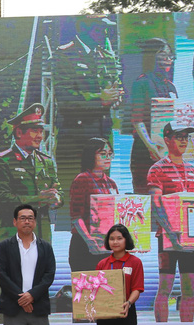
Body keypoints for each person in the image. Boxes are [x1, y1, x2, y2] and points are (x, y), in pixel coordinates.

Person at [54, 16, 120, 212]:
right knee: (75, 203)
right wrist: (100, 99)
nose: (104, 33)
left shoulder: (107, 57)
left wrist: (116, 97)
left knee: (102, 203)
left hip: (101, 136)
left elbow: (115, 87)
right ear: (83, 27)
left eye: (105, 29)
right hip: (76, 138)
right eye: (99, 28)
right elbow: (65, 99)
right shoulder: (64, 54)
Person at [147, 123, 194, 322]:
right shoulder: (157, 169)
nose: (183, 140)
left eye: (185, 137)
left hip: (191, 239)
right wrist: (171, 233)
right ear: (166, 140)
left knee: (189, 288)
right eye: (178, 136)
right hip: (167, 238)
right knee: (165, 286)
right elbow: (156, 205)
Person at [0, 204, 56, 325]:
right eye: (22, 218)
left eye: (30, 218)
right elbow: (1, 275)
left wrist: (32, 296)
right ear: (15, 222)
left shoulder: (45, 247)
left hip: (39, 308)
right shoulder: (5, 246)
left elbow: (49, 275)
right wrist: (21, 298)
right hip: (13, 309)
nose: (26, 221)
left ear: (35, 222)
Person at [0, 103, 63, 247]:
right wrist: (38, 200)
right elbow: (2, 199)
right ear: (19, 133)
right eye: (35, 131)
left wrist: (56, 198)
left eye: (41, 132)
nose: (40, 136)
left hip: (42, 238)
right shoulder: (3, 161)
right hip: (13, 238)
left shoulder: (46, 161)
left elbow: (59, 190)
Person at [129, 38, 177, 194]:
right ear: (152, 56)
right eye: (163, 55)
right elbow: (137, 120)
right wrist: (151, 147)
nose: (168, 59)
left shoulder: (170, 85)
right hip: (145, 150)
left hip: (166, 151)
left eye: (170, 56)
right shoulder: (142, 83)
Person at [69, 138, 119, 272]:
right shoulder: (82, 179)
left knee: (109, 290)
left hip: (106, 245)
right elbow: (76, 216)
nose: (108, 157)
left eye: (110, 154)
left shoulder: (111, 183)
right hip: (84, 244)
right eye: (103, 154)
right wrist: (89, 239)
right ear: (91, 155)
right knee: (87, 291)